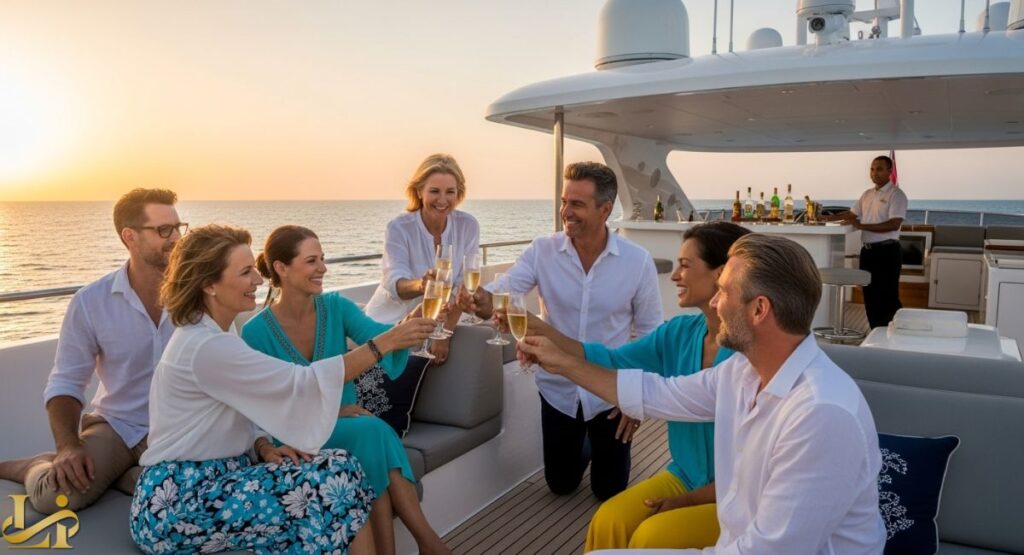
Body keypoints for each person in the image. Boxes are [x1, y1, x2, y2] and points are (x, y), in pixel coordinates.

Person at [519, 234, 886, 554]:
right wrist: (561, 362)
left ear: (759, 310)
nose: (713, 303)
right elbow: (655, 393)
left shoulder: (820, 414)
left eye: (724, 291)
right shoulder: (742, 372)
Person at [132, 224, 436, 554]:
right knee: (330, 482)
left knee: (342, 465)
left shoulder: (217, 335)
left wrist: (262, 446)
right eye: (246, 272)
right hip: (178, 501)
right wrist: (383, 344)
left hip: (219, 476)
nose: (258, 280)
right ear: (209, 285)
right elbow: (300, 382)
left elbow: (241, 411)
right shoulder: (207, 346)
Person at [514, 222, 750, 551]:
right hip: (684, 475)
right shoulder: (679, 332)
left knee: (649, 536)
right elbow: (609, 359)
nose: (675, 276)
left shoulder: (750, 350)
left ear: (722, 273)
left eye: (685, 265)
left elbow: (755, 471)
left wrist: (690, 501)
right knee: (608, 518)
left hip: (738, 493)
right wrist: (539, 331)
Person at [241, 225, 450, 555]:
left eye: (322, 259)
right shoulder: (255, 333)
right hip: (296, 434)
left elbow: (381, 337)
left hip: (350, 426)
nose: (323, 268)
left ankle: (425, 545)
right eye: (311, 261)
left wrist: (422, 313)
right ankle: (431, 543)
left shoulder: (336, 307)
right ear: (281, 268)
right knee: (372, 432)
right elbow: (270, 406)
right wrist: (334, 411)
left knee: (369, 439)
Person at [462, 161, 663, 501]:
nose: (565, 212)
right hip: (558, 388)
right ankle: (583, 445)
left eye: (577, 204)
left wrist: (635, 400)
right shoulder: (542, 250)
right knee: (561, 485)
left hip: (610, 392)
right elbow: (504, 291)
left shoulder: (637, 261)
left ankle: (600, 445)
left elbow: (651, 334)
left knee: (609, 490)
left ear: (605, 210)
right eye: (564, 201)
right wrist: (477, 298)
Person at [0, 188, 185, 513]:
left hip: (177, 428)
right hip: (117, 425)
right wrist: (69, 446)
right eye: (164, 230)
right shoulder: (90, 302)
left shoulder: (200, 297)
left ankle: (122, 475)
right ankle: (32, 466)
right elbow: (66, 382)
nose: (176, 239)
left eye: (179, 228)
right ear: (130, 237)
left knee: (178, 494)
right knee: (56, 498)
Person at [364, 153, 480, 365]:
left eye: (450, 192)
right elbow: (393, 282)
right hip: (392, 322)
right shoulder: (399, 227)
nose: (443, 200)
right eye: (434, 191)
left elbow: (462, 285)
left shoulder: (468, 225)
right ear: (419, 191)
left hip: (438, 322)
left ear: (459, 193)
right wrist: (421, 285)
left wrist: (443, 333)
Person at [827, 155, 908, 329]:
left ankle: (894, 335)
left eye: (879, 169)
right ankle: (875, 332)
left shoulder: (897, 195)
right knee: (870, 296)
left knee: (888, 297)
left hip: (887, 252)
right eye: (872, 169)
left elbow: (894, 224)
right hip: (868, 252)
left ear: (889, 171)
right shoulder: (867, 194)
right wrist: (824, 217)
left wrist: (861, 225)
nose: (874, 173)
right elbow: (851, 215)